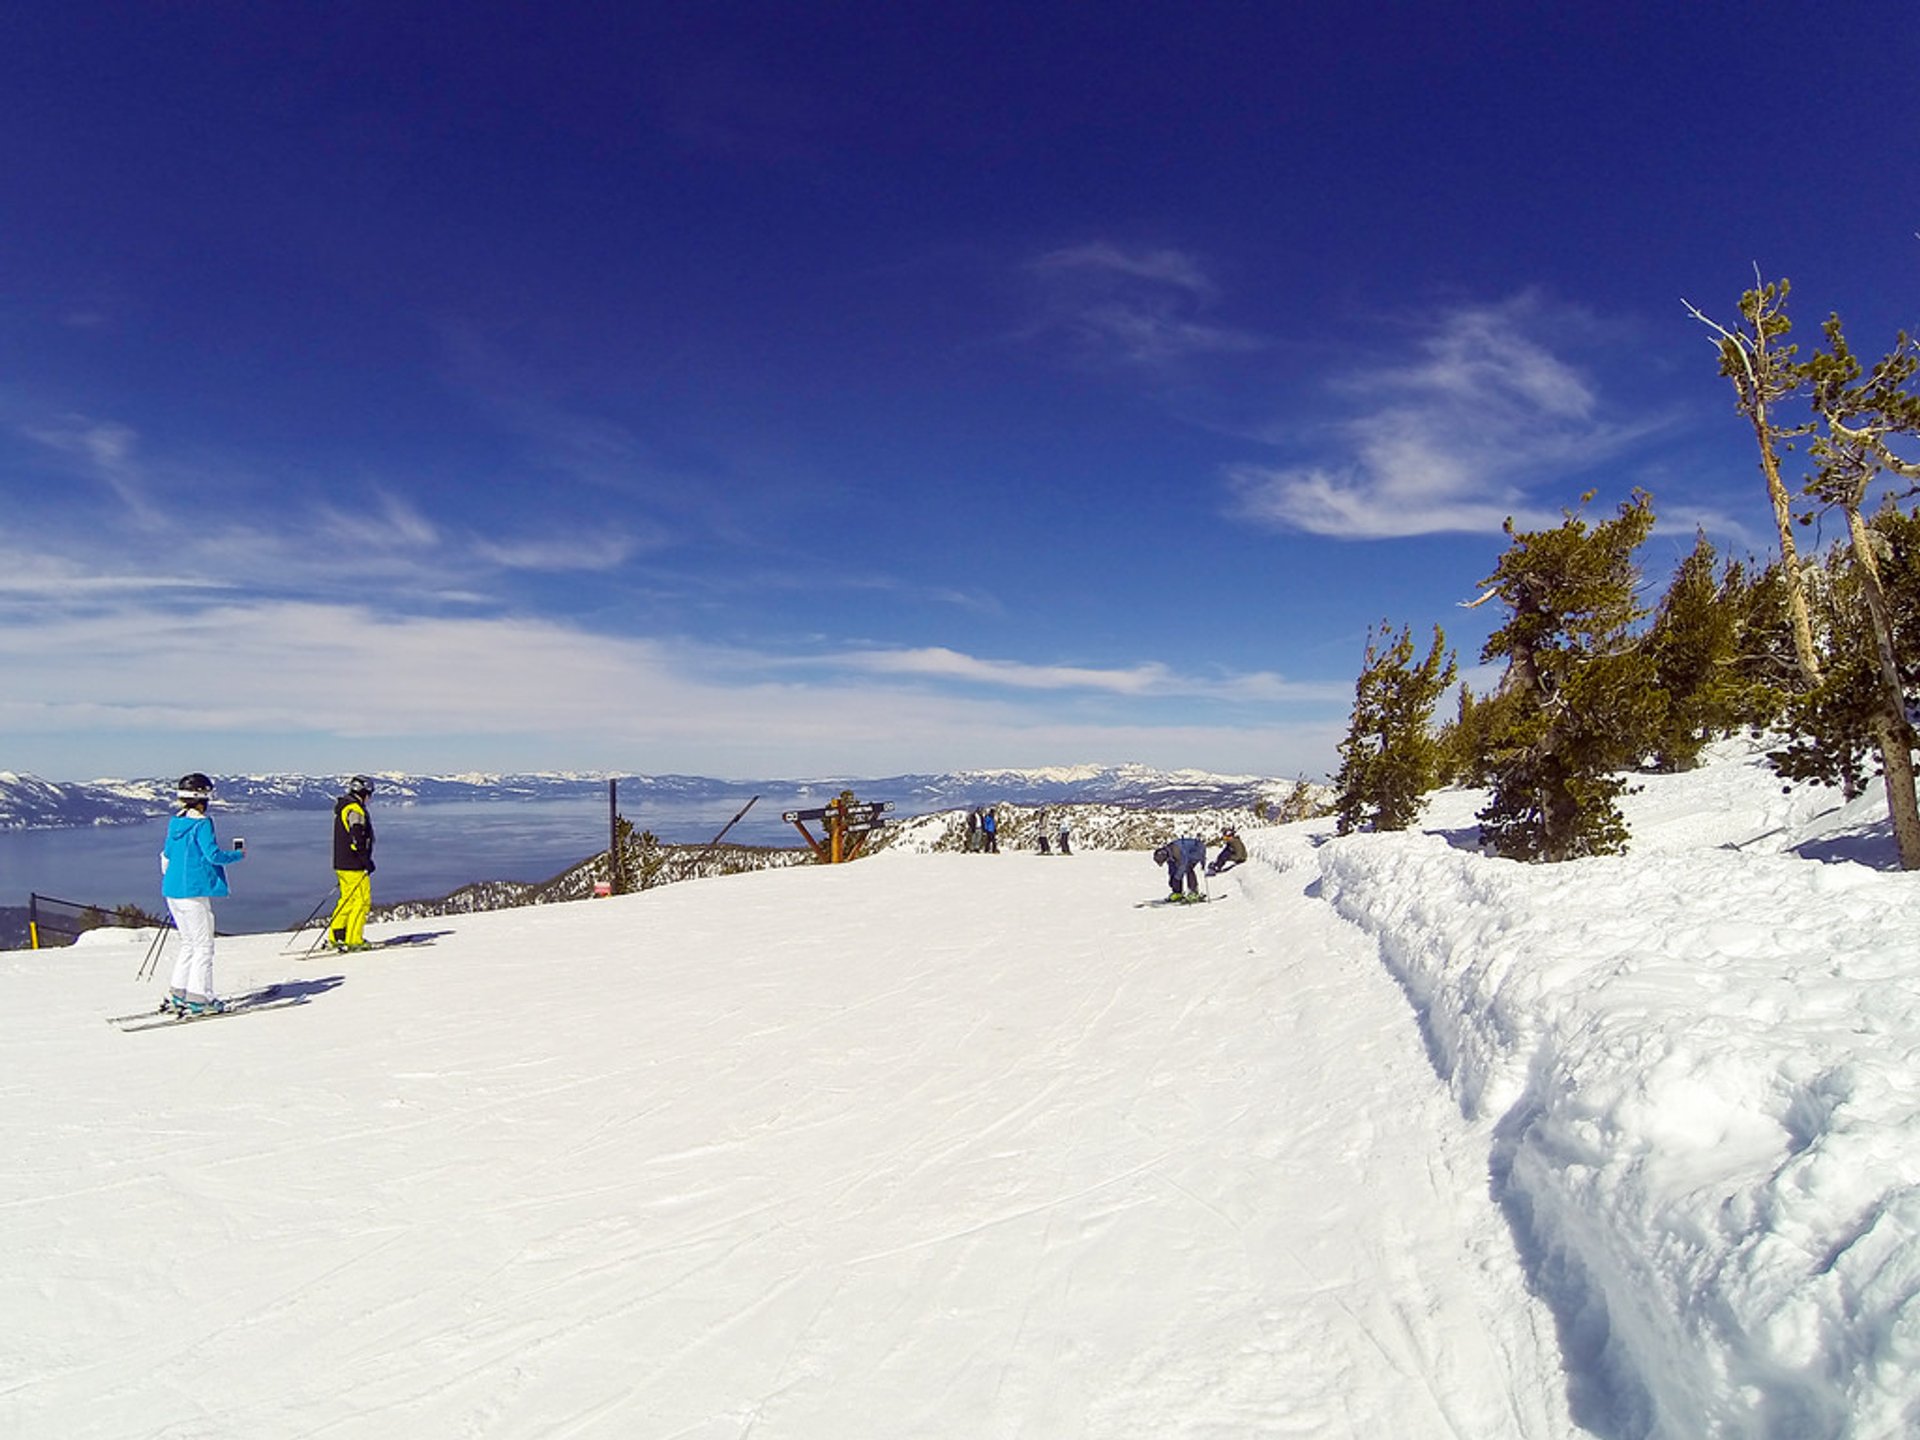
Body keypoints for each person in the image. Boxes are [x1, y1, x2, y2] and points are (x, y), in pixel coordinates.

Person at [158, 772, 245, 1014]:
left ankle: (179, 993)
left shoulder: (175, 823)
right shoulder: (202, 823)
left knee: (188, 943)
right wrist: (238, 854)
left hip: (173, 891)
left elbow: (166, 856)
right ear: (201, 797)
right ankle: (200, 999)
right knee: (204, 946)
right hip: (193, 891)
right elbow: (213, 855)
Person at [329, 775, 377, 951]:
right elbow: (357, 836)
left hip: (341, 863)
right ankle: (354, 939)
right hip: (354, 864)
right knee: (361, 900)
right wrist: (365, 860)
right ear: (363, 792)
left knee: (347, 899)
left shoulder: (344, 806)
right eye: (369, 794)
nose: (370, 798)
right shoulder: (355, 809)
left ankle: (337, 934)